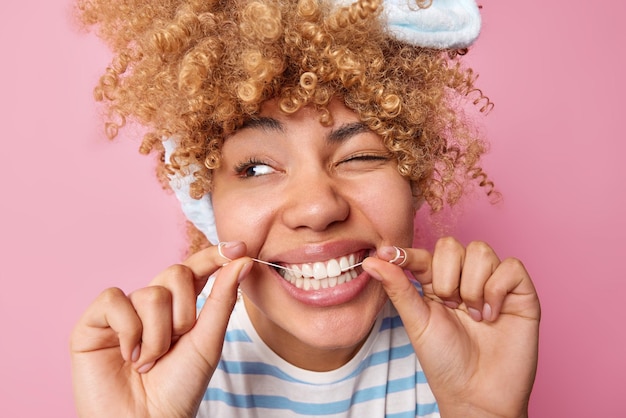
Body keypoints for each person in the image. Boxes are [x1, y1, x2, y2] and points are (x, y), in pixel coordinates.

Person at [70, 0, 541, 417]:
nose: (317, 208)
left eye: (360, 156)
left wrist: (483, 412)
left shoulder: (463, 347)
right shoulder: (158, 366)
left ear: (413, 177)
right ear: (205, 199)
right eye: (256, 168)